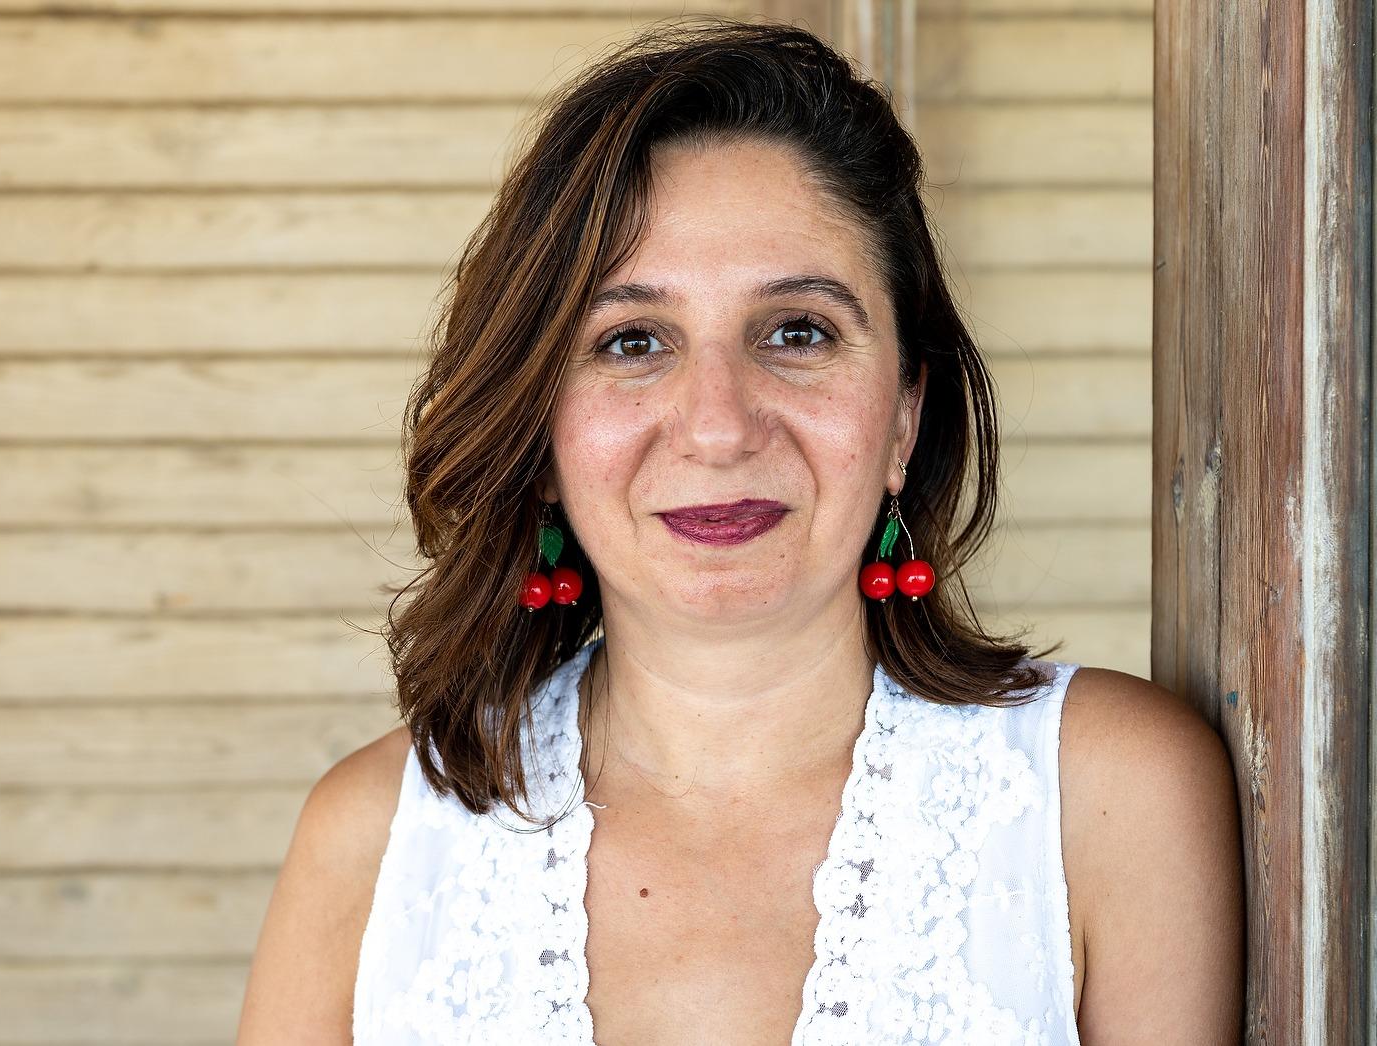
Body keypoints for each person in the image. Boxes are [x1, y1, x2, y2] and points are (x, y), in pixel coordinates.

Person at [236, 17, 1244, 1045]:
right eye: (631, 340)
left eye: (797, 330)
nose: (717, 425)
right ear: (536, 434)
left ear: (901, 415)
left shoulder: (1106, 795)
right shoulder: (370, 840)